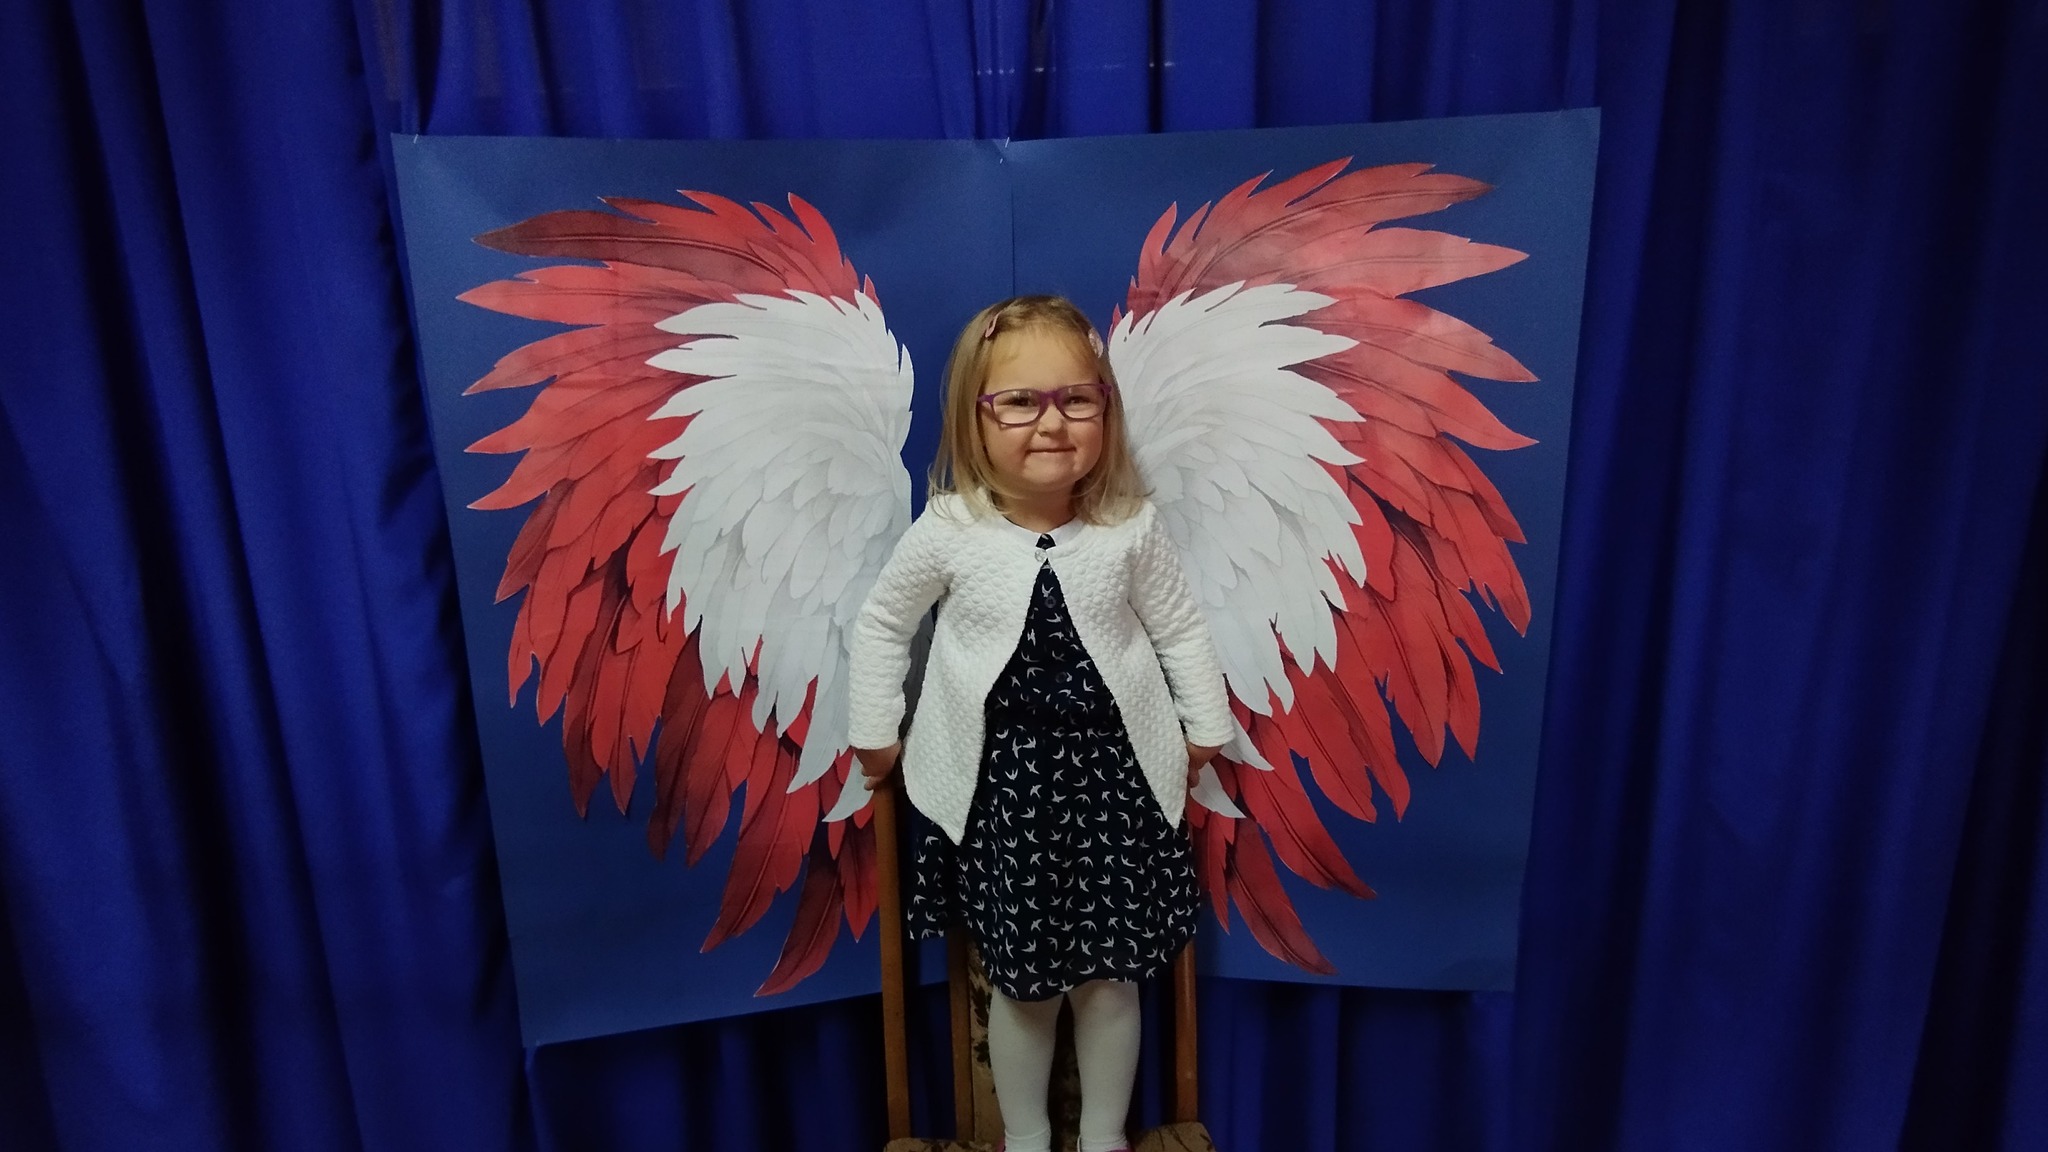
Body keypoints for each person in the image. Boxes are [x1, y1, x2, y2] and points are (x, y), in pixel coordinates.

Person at [847, 295, 1234, 1152]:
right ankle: (1024, 1138)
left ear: (1106, 410)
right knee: (1023, 989)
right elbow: (882, 624)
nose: (1052, 423)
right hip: (1005, 799)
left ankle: (1103, 1137)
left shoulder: (1130, 528)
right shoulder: (951, 530)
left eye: (1077, 399)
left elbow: (1179, 627)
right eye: (1020, 401)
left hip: (1114, 793)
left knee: (1112, 982)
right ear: (974, 419)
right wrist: (876, 727)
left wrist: (1204, 722)